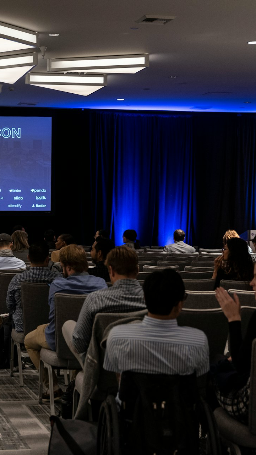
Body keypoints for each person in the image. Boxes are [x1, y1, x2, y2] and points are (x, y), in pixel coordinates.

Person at [24, 244, 107, 400]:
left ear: (68, 268)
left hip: (58, 340)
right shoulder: (101, 284)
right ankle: (75, 384)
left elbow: (53, 314)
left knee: (29, 341)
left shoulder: (57, 285)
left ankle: (52, 387)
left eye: (62, 266)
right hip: (89, 342)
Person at [103, 268, 209, 378]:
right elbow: (200, 383)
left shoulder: (116, 336)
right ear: (179, 305)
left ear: (144, 299)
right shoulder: (198, 341)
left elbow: (117, 380)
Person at [72, 246, 146, 360]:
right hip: (142, 364)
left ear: (111, 270)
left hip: (102, 368)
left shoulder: (95, 299)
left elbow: (79, 344)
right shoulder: (153, 302)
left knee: (69, 327)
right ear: (137, 269)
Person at [214, 264, 256, 423]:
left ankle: (216, 441)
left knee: (215, 367)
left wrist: (234, 319)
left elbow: (241, 366)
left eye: (255, 276)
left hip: (249, 406)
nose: (251, 282)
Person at [6, 241, 61, 333]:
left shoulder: (17, 279)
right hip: (51, 327)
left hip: (22, 327)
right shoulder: (59, 279)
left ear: (28, 258)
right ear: (48, 259)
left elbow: (9, 305)